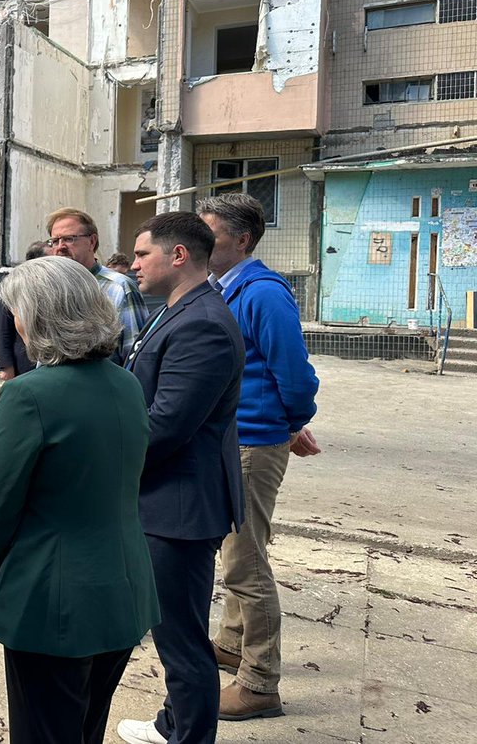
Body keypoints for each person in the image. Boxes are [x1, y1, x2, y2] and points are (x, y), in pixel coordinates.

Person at [0, 256, 160, 744]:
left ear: (37, 317)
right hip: (122, 588)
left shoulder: (29, 395)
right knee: (85, 727)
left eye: (17, 311)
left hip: (51, 600)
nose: (13, 323)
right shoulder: (124, 382)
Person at [116, 212, 245, 744]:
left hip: (180, 509)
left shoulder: (203, 324)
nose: (135, 264)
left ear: (178, 256)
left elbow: (166, 426)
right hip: (166, 500)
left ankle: (188, 736)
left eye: (143, 254)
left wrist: (103, 457)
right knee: (172, 630)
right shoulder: (179, 309)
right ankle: (174, 723)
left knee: (183, 640)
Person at [198, 193, 321, 721]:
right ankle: (231, 641)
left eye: (211, 235)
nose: (201, 244)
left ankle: (260, 680)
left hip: (252, 441)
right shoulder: (226, 288)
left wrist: (290, 423)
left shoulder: (264, 293)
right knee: (236, 548)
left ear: (242, 239)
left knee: (246, 562)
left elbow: (294, 374)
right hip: (235, 437)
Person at [46, 208, 147, 364]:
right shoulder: (50, 289)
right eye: (55, 241)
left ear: (92, 242)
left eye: (69, 239)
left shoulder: (120, 288)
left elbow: (135, 358)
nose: (60, 247)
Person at [0, 241, 47, 380]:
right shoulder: (14, 285)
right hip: (24, 362)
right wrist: (7, 367)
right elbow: (4, 331)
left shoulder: (53, 286)